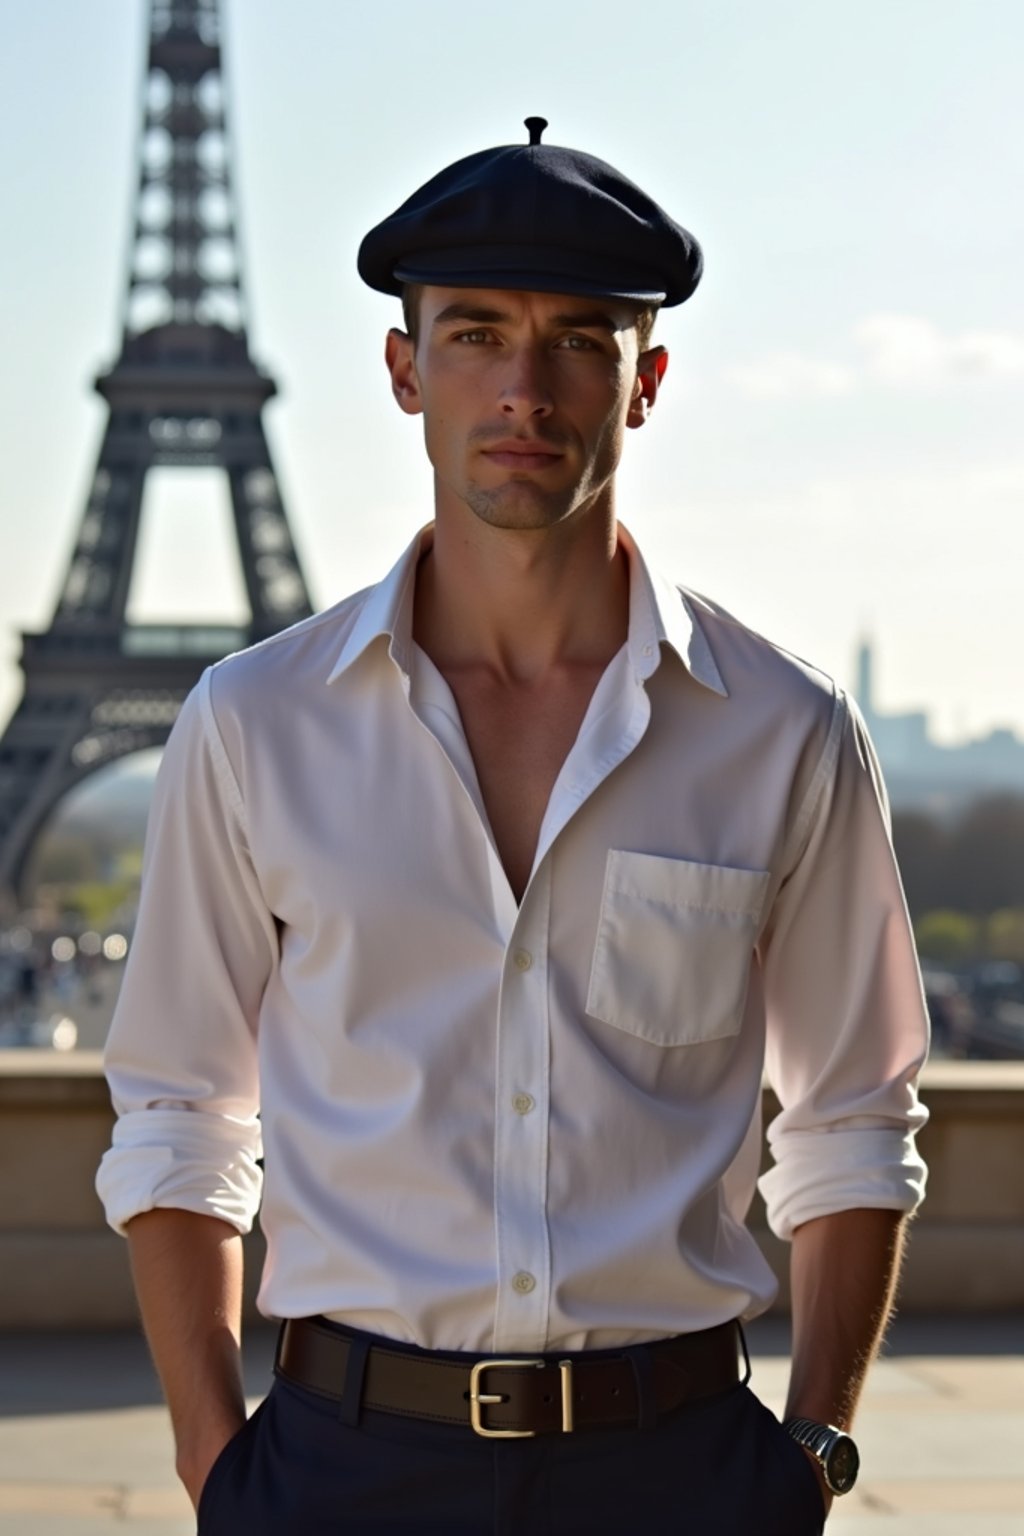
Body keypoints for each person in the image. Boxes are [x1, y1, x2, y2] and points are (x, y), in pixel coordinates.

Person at [97, 118, 929, 1535]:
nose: (525, 390)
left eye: (581, 344)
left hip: (679, 1474)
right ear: (405, 369)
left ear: (646, 382)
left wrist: (813, 1459)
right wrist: (213, 1462)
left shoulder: (784, 731)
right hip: (338, 1473)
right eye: (477, 336)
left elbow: (854, 1121)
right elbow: (178, 1107)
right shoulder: (256, 723)